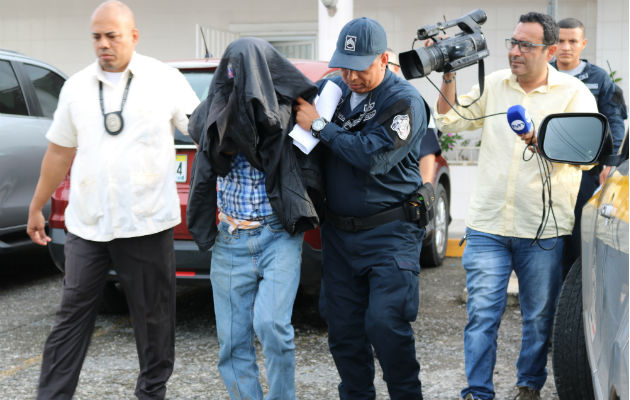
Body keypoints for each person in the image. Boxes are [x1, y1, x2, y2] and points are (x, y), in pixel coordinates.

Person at [26, 1, 199, 398]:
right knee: (70, 319)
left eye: (112, 36)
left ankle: (151, 393)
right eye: (97, 37)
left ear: (133, 36)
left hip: (147, 223)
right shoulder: (76, 87)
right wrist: (37, 205)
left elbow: (202, 128)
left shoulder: (163, 78)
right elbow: (59, 152)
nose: (103, 44)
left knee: (154, 323)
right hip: (89, 225)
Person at [433, 12, 597, 400]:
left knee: (539, 317)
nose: (515, 52)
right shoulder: (493, 85)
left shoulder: (574, 94)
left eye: (526, 45)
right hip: (488, 225)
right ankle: (477, 391)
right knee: (482, 315)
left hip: (542, 230)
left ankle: (528, 386)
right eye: (513, 42)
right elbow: (449, 122)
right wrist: (449, 73)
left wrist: (549, 143)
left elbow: (589, 155)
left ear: (551, 51)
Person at [295, 17, 429, 400]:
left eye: (360, 67)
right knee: (344, 332)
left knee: (386, 324)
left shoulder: (403, 101)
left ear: (384, 59)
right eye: (344, 66)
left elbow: (373, 156)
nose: (350, 76)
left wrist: (321, 126)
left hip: (391, 233)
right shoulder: (332, 87)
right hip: (339, 235)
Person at [186, 37, 323, 400]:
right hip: (231, 239)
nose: (238, 77)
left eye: (246, 70)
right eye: (231, 70)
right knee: (231, 345)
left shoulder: (291, 110)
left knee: (272, 326)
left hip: (278, 236)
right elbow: (200, 153)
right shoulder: (212, 110)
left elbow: (313, 163)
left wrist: (309, 129)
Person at [551, 17, 627, 274]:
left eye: (572, 41)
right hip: (547, 169)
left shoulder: (598, 77)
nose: (566, 46)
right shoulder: (543, 74)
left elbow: (614, 123)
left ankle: (572, 301)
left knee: (578, 237)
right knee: (548, 237)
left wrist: (610, 163)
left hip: (585, 171)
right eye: (560, 40)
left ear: (583, 43)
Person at [386, 48, 442, 184]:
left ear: (396, 69)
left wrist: (422, 197)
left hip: (400, 190)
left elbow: (427, 153)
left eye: (387, 65)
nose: (383, 69)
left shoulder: (413, 102)